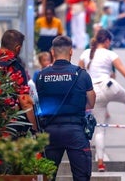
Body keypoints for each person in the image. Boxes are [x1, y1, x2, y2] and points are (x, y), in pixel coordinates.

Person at [78, 29, 125, 171]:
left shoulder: (85, 54)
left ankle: (100, 162)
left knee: (100, 129)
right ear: (107, 40)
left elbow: (79, 75)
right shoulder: (110, 53)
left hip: (94, 94)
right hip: (109, 86)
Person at [35, 35, 96, 180]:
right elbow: (91, 102)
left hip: (50, 131)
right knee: (82, 176)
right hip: (75, 130)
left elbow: (37, 103)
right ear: (71, 52)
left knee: (47, 176)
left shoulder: (41, 76)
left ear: (52, 52)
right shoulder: (81, 75)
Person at [0, 29, 38, 134]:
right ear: (18, 48)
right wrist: (34, 129)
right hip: (10, 125)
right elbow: (25, 102)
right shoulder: (16, 67)